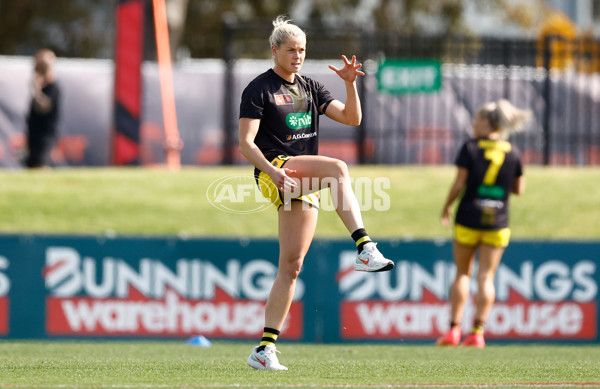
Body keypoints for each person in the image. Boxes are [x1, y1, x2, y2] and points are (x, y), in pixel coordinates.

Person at [239, 16, 394, 370]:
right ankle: (364, 247)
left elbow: (351, 118)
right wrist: (273, 172)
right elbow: (245, 144)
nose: (297, 56)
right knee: (338, 169)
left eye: (302, 50)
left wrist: (351, 85)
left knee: (291, 267)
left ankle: (264, 349)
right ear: (274, 50)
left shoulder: (310, 86)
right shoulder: (259, 88)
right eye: (291, 49)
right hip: (274, 170)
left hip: (300, 175)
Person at [437, 99, 531, 348]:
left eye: (477, 119)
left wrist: (446, 206)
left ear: (488, 122)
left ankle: (454, 330)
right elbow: (519, 189)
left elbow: (459, 183)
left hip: (469, 216)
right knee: (487, 277)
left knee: (462, 273)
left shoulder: (470, 148)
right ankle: (477, 333)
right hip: (498, 220)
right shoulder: (513, 152)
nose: (473, 123)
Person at [24, 49, 60, 168]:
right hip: (34, 134)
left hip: (45, 135)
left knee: (42, 164)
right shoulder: (40, 85)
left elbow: (44, 107)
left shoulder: (52, 87)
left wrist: (36, 90)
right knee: (32, 165)